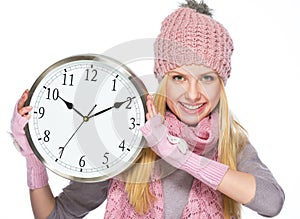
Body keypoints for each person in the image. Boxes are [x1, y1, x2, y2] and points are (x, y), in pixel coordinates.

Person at [11, 1, 284, 218]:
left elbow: (271, 203)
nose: (192, 94)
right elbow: (55, 215)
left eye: (207, 77)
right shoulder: (127, 137)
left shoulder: (230, 142)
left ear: (221, 84)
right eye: (179, 77)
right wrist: (34, 155)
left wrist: (177, 155)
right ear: (164, 78)